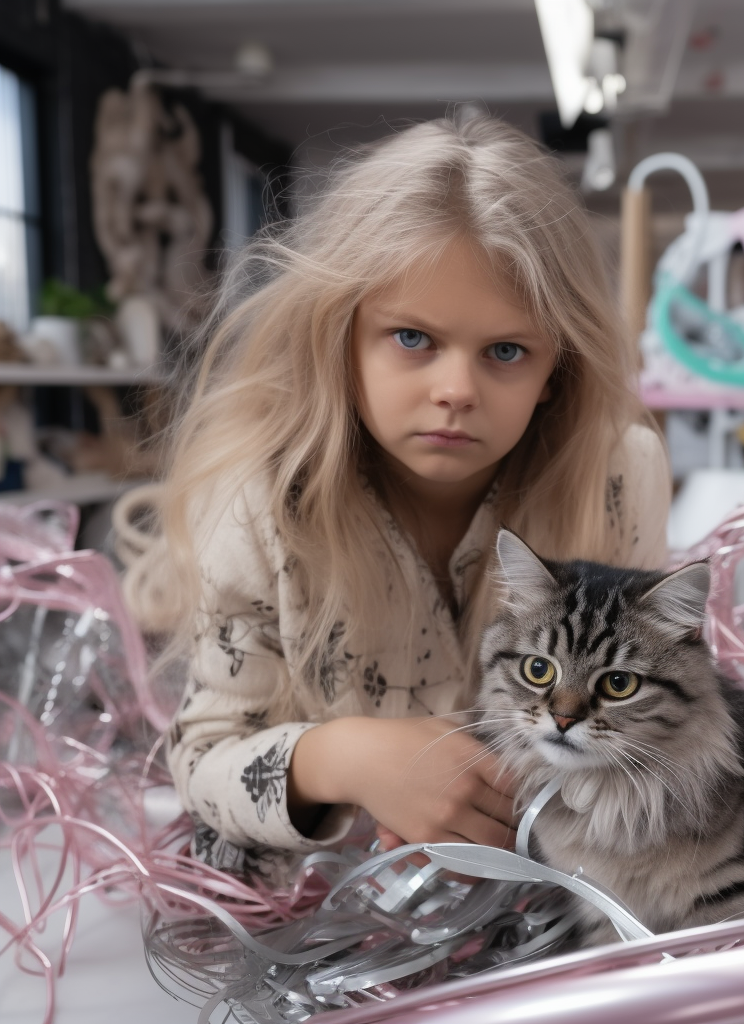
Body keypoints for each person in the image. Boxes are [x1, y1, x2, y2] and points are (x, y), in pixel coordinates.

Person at [117, 113, 671, 881]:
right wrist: (342, 757)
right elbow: (203, 761)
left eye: (506, 351)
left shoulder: (618, 473)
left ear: (557, 371)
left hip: (549, 913)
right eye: (412, 339)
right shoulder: (254, 495)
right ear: (339, 336)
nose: (455, 392)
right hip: (321, 927)